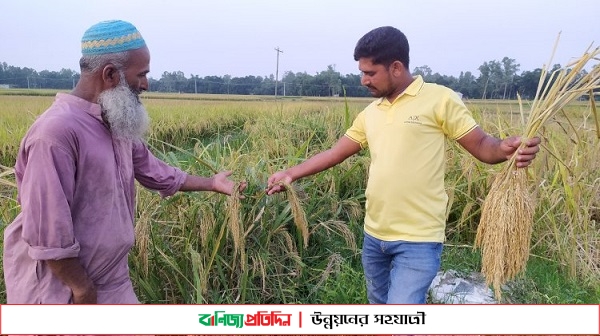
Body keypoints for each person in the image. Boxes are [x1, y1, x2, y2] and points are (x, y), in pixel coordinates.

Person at [266, 26, 541, 304]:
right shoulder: (371, 113)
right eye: (362, 72)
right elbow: (336, 152)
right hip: (374, 235)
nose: (363, 80)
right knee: (379, 307)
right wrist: (290, 173)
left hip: (418, 239)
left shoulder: (439, 99)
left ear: (396, 67)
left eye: (370, 73)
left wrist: (504, 149)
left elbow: (483, 146)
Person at [3, 20, 246, 304]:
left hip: (111, 277)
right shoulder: (55, 134)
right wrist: (81, 288)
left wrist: (212, 183)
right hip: (63, 287)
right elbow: (48, 234)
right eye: (141, 74)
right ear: (109, 74)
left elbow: (155, 171)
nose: (146, 84)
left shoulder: (114, 121)